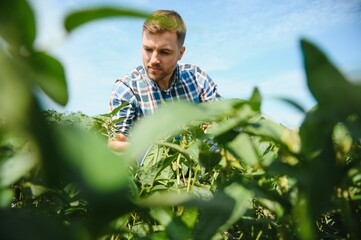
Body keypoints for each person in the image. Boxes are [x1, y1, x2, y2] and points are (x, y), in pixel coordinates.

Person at [108, 10, 221, 150]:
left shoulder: (197, 79)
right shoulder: (127, 90)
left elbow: (222, 122)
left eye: (164, 52)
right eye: (148, 50)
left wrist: (216, 127)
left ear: (180, 53)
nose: (154, 60)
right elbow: (118, 143)